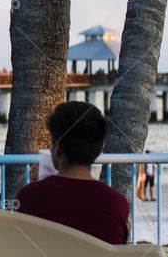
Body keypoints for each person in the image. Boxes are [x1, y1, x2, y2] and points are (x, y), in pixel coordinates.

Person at [15, 102, 129, 245]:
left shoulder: (29, 196)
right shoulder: (115, 202)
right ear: (98, 150)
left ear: (57, 148)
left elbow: (22, 248)